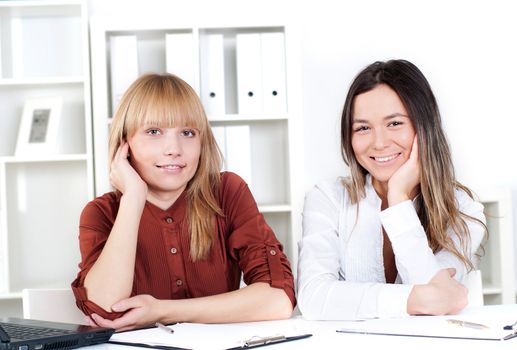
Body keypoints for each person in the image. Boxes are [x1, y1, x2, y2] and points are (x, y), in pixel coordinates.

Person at [71, 73, 295, 331]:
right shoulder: (102, 213)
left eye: (187, 132)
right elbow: (106, 310)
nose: (174, 149)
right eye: (154, 132)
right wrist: (133, 197)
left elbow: (278, 300)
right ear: (125, 144)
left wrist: (162, 311)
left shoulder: (227, 193)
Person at [297, 59, 487, 320]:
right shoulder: (327, 199)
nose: (379, 143)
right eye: (363, 128)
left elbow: (436, 298)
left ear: (424, 128)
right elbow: (314, 297)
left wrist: (398, 199)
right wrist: (415, 299)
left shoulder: (462, 208)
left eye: (395, 123)